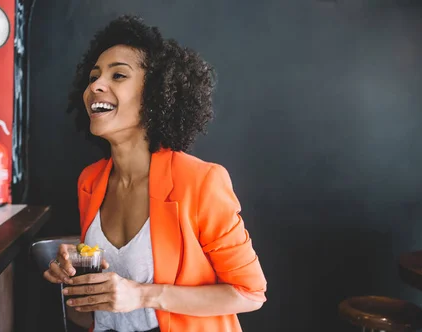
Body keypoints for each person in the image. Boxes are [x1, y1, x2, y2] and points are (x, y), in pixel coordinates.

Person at [43, 15, 267, 332]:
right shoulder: (90, 181)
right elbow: (92, 313)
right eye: (93, 77)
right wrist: (72, 277)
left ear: (156, 94)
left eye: (118, 75)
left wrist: (144, 295)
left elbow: (250, 293)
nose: (95, 86)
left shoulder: (201, 182)